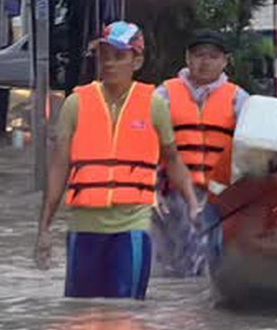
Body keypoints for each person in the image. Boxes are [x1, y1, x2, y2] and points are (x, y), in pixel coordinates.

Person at [36, 21, 200, 299]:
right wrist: (44, 229)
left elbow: (172, 161)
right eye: (104, 56)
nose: (109, 64)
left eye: (119, 56)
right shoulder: (76, 104)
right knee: (80, 319)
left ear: (136, 61)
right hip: (83, 229)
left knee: (126, 316)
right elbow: (59, 167)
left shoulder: (153, 105)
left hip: (131, 228)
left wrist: (193, 203)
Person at [150, 30, 250, 276]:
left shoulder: (239, 99)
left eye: (213, 56)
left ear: (225, 61)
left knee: (210, 260)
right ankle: (177, 305)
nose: (205, 61)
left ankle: (199, 304)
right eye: (198, 55)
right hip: (172, 193)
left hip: (219, 194)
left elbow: (252, 148)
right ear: (187, 58)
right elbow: (145, 142)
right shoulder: (164, 95)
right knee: (172, 262)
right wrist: (150, 189)